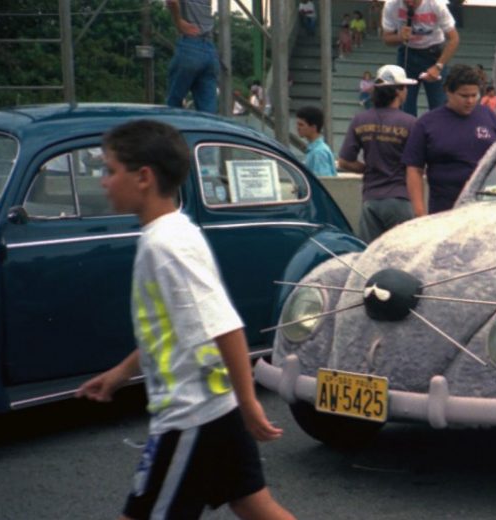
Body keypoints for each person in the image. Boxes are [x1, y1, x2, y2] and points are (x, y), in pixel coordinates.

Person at [80, 120, 293, 520]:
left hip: (191, 416)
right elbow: (173, 329)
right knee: (254, 506)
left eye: (110, 170)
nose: (104, 182)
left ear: (144, 177)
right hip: (215, 408)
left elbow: (225, 325)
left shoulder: (166, 246)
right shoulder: (174, 232)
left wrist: (249, 404)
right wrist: (122, 372)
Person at [403, 65, 496, 216]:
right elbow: (414, 169)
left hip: (488, 206)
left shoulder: (487, 115)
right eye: (464, 96)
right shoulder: (427, 123)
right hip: (446, 208)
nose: (470, 101)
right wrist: (419, 213)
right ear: (448, 92)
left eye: (474, 95)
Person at [339, 65, 419, 242]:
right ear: (398, 91)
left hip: (371, 200)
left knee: (370, 253)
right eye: (405, 87)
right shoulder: (410, 123)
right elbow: (418, 166)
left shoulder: (360, 120)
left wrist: (368, 168)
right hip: (400, 199)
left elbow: (344, 161)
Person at [381, 0, 460, 117]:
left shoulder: (435, 5)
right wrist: (399, 37)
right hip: (407, 53)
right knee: (404, 105)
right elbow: (387, 38)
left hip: (433, 55)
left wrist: (438, 66)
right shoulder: (392, 5)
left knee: (439, 106)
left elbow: (454, 39)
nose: (410, 3)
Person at [165, 0, 218, 114]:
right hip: (210, 48)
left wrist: (179, 22)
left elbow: (172, 1)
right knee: (208, 112)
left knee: (173, 104)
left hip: (190, 44)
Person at [296, 106, 337, 177]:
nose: (298, 128)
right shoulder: (314, 150)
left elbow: (323, 180)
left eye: (301, 125)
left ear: (313, 128)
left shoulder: (319, 153)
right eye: (297, 124)